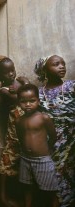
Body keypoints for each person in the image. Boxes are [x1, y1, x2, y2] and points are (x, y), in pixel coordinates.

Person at [34, 55, 75, 206]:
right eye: (56, 64)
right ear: (45, 70)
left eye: (63, 63)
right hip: (52, 140)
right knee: (56, 173)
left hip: (72, 138)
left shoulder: (71, 86)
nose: (62, 66)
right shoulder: (38, 93)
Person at [0, 56, 29, 207]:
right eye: (7, 73)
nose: (12, 74)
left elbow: (30, 94)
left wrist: (24, 85)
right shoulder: (3, 91)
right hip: (15, 130)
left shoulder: (19, 83)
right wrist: (25, 85)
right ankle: (2, 196)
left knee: (25, 162)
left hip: (28, 130)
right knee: (7, 161)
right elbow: (19, 99)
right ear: (0, 76)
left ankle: (24, 197)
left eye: (12, 70)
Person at [15, 83, 59, 207]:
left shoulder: (43, 118)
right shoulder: (19, 121)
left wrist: (44, 149)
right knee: (27, 187)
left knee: (50, 190)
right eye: (23, 101)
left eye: (32, 101)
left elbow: (53, 136)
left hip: (42, 160)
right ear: (19, 102)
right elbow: (20, 138)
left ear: (38, 101)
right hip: (25, 159)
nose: (27, 104)